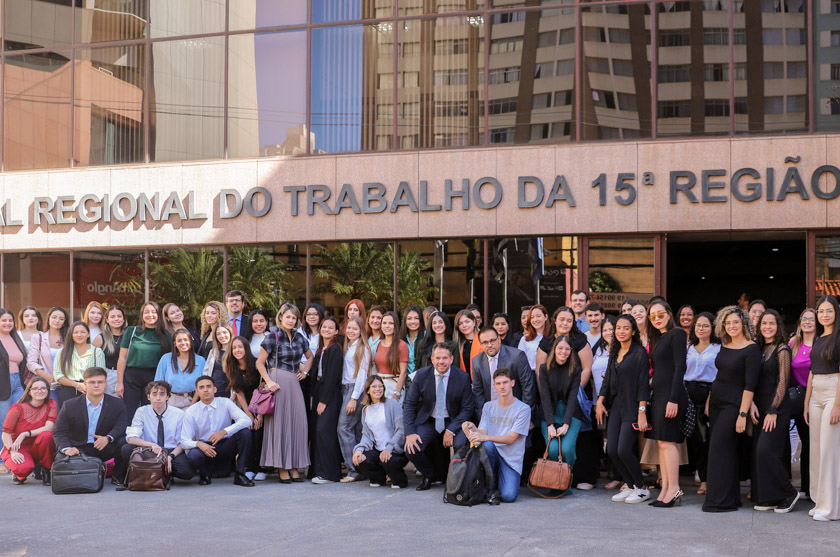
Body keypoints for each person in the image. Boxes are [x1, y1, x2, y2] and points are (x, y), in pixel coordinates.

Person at [702, 306, 760, 513]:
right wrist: (710, 400)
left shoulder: (751, 349)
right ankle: (730, 499)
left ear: (744, 323)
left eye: (735, 322)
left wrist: (742, 414)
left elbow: (750, 385)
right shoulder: (724, 345)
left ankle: (721, 501)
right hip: (717, 402)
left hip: (734, 405)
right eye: (727, 323)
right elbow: (720, 376)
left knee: (719, 448)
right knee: (722, 450)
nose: (732, 326)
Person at [538, 306, 597, 489]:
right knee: (554, 446)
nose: (565, 323)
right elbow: (539, 368)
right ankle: (554, 478)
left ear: (574, 323)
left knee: (577, 442)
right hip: (551, 398)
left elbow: (587, 367)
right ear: (554, 320)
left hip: (575, 395)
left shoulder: (580, 340)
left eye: (569, 320)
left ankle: (573, 477)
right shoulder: (545, 341)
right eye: (561, 319)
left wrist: (575, 389)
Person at [596, 315, 651, 504]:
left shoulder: (639, 353)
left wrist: (642, 411)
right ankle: (630, 484)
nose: (621, 331)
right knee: (611, 449)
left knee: (624, 450)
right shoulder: (615, 350)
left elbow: (643, 383)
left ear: (633, 331)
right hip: (616, 406)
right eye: (618, 328)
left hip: (633, 407)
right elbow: (607, 378)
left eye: (625, 328)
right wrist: (600, 400)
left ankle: (641, 487)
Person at [403, 342, 474, 491]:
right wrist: (410, 433)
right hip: (429, 421)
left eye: (445, 358)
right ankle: (429, 475)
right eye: (438, 358)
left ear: (451, 359)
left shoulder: (462, 377)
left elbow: (467, 408)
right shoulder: (421, 375)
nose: (441, 361)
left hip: (454, 421)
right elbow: (409, 404)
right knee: (411, 448)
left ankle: (458, 478)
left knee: (462, 444)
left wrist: (452, 430)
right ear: (432, 359)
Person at [256, 302, 313, 483]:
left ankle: (295, 466)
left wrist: (304, 372)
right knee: (280, 424)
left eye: (294, 317)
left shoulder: (299, 337)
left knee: (297, 423)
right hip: (277, 382)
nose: (291, 320)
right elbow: (259, 363)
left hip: (294, 384)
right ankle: (282, 467)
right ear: (281, 317)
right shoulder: (272, 336)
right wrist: (269, 381)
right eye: (288, 316)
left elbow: (310, 357)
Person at [752, 309, 799, 513]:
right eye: (764, 323)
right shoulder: (760, 349)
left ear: (778, 326)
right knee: (761, 453)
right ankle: (771, 497)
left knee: (766, 451)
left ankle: (789, 492)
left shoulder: (782, 349)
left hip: (776, 408)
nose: (767, 327)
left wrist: (773, 409)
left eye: (771, 323)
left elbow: (783, 381)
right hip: (760, 407)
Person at [461, 368, 531, 503]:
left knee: (508, 496)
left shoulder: (523, 409)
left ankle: (499, 480)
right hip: (491, 454)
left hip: (510, 460)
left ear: (513, 383)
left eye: (505, 382)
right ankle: (490, 482)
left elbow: (511, 438)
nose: (502, 387)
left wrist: (484, 437)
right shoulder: (488, 406)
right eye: (498, 384)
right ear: (494, 386)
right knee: (487, 445)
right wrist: (472, 427)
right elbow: (482, 433)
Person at [52, 367, 128, 485]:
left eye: (100, 382)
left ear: (105, 383)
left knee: (124, 442)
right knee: (62, 460)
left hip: (104, 446)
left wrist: (108, 438)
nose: (96, 385)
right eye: (92, 382)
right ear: (85, 384)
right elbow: (59, 431)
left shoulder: (117, 404)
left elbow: (121, 427)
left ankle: (118, 477)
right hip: (78, 447)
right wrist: (67, 448)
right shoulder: (70, 405)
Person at [646, 301, 688, 507]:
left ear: (669, 314)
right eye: (652, 316)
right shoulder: (659, 338)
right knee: (661, 442)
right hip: (659, 395)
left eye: (660, 314)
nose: (656, 318)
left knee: (668, 442)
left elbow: (680, 367)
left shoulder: (677, 334)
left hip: (671, 395)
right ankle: (665, 487)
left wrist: (673, 398)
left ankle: (674, 488)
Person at [181, 375, 254, 487]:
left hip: (225, 446)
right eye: (201, 387)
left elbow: (247, 420)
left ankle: (240, 474)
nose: (205, 390)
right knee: (194, 454)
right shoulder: (191, 411)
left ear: (215, 389)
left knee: (245, 433)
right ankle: (204, 474)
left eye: (209, 386)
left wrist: (225, 431)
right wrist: (199, 444)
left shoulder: (225, 402)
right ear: (197, 391)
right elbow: (184, 441)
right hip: (205, 449)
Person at [805, 295, 840, 521]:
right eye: (820, 311)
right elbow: (812, 371)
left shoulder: (839, 337)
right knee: (816, 449)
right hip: (816, 391)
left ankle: (830, 509)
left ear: (836, 312)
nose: (824, 315)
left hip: (833, 392)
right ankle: (819, 501)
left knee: (829, 451)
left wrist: (837, 404)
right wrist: (808, 401)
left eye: (828, 310)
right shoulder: (819, 338)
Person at [121, 380, 193, 482]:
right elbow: (131, 438)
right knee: (126, 449)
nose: (158, 398)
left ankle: (160, 473)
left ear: (168, 396)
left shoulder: (179, 414)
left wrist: (170, 457)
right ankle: (146, 472)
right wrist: (151, 445)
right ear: (148, 397)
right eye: (154, 394)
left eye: (162, 394)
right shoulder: (141, 411)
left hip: (170, 450)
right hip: (149, 450)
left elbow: (182, 442)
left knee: (186, 472)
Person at [685, 311, 721, 496]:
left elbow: (720, 376)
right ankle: (698, 473)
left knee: (706, 440)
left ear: (712, 328)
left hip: (708, 394)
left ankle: (707, 480)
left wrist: (711, 399)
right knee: (693, 441)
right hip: (688, 393)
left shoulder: (718, 348)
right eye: (698, 325)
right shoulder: (688, 348)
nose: (700, 328)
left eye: (705, 325)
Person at [116, 302, 172, 421]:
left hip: (154, 378)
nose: (150, 315)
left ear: (158, 315)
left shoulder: (166, 335)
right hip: (131, 377)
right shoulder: (131, 331)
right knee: (130, 411)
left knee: (151, 412)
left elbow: (168, 361)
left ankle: (149, 438)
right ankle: (130, 438)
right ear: (142, 315)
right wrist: (119, 382)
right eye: (146, 312)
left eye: (153, 312)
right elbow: (122, 358)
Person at [352, 375, 408, 489]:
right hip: (379, 450)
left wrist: (389, 448)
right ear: (368, 390)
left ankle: (399, 480)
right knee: (360, 459)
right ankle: (379, 478)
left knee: (389, 461)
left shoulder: (392, 404)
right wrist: (359, 450)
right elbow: (366, 435)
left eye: (380, 386)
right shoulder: (366, 410)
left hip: (395, 450)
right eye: (374, 386)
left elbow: (401, 430)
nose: (378, 389)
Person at [471, 327, 535, 422]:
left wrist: (524, 418)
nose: (489, 345)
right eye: (485, 342)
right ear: (480, 345)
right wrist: (483, 419)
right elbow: (478, 392)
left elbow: (528, 388)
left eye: (492, 340)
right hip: (491, 416)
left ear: (499, 339)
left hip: (516, 414)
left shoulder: (517, 356)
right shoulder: (477, 361)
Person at [539, 337, 583, 472]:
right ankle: (554, 483)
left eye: (567, 349)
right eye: (560, 348)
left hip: (570, 414)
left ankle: (565, 481)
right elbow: (545, 398)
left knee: (567, 449)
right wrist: (550, 424)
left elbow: (572, 398)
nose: (563, 351)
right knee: (552, 449)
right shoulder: (544, 368)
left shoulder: (575, 370)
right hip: (549, 414)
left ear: (571, 351)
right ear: (554, 349)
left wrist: (566, 424)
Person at [1, 377, 56, 485]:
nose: (39, 391)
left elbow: (49, 427)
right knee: (23, 469)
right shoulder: (17, 408)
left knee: (47, 435)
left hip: (39, 446)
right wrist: (12, 451)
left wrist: (25, 434)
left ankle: (46, 469)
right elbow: (6, 433)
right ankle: (18, 472)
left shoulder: (51, 404)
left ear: (48, 391)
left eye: (43, 388)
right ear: (29, 392)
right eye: (35, 388)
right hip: (19, 447)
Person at [224, 336, 265, 480]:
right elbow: (239, 393)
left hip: (261, 402)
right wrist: (248, 415)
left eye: (240, 347)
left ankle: (261, 468)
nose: (237, 350)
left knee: (259, 432)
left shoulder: (256, 363)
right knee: (248, 431)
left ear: (246, 348)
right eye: (234, 348)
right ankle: (249, 467)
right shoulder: (231, 367)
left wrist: (259, 414)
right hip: (245, 405)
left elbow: (263, 389)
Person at [310, 317, 344, 484]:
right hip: (318, 391)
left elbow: (332, 377)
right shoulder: (321, 348)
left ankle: (330, 474)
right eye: (324, 327)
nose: (327, 330)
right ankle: (318, 470)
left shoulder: (336, 349)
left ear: (336, 331)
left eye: (331, 327)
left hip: (330, 394)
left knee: (325, 431)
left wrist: (323, 401)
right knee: (317, 431)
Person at [337, 316, 370, 482]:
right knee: (355, 430)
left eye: (355, 329)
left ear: (361, 331)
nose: (350, 331)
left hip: (355, 390)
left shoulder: (362, 348)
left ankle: (354, 469)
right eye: (349, 328)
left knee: (343, 427)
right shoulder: (348, 345)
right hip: (346, 389)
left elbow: (362, 375)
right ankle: (362, 468)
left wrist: (354, 398)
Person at [789, 307, 815, 498]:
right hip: (799, 398)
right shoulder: (793, 344)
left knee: (818, 444)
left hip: (819, 396)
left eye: (811, 319)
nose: (807, 322)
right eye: (803, 319)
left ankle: (818, 486)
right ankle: (806, 486)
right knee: (806, 442)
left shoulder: (821, 343)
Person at [592, 316, 619, 490]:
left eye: (611, 329)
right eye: (605, 330)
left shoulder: (623, 349)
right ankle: (611, 472)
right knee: (603, 439)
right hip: (598, 400)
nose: (609, 333)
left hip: (616, 401)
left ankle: (619, 476)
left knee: (616, 441)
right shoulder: (598, 349)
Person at [53, 321, 106, 405]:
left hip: (90, 390)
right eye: (76, 332)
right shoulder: (62, 352)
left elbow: (101, 375)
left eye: (83, 332)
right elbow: (58, 375)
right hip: (68, 390)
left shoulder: (97, 352)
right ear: (71, 335)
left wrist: (88, 386)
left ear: (88, 334)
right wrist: (76, 385)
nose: (79, 335)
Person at [0, 309, 30, 453]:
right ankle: (1, 459)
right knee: (3, 423)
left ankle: (15, 455)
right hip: (3, 384)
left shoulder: (15, 338)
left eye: (10, 320)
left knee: (19, 420)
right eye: (3, 320)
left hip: (18, 382)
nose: (7, 323)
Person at [154, 329, 206, 409]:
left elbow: (202, 385)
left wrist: (192, 405)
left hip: (193, 402)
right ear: (175, 343)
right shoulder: (166, 359)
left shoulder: (200, 361)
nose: (183, 343)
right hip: (170, 402)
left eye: (185, 340)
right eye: (179, 340)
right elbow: (158, 383)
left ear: (191, 342)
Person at [26, 306, 68, 403]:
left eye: (61, 319)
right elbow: (31, 362)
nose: (57, 321)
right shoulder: (38, 337)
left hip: (67, 384)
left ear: (64, 322)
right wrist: (46, 376)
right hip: (48, 384)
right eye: (54, 317)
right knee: (54, 413)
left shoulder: (69, 338)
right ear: (48, 318)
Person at [373, 311, 408, 400]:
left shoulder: (401, 345)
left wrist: (397, 392)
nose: (387, 326)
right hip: (379, 387)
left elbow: (403, 372)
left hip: (394, 385)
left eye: (391, 323)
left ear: (395, 326)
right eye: (384, 323)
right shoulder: (378, 343)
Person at [93, 306, 126, 397]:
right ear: (107, 320)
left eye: (119, 316)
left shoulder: (129, 337)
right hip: (108, 376)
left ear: (123, 319)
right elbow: (91, 360)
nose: (116, 319)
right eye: (112, 317)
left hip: (127, 376)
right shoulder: (100, 338)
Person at [203, 323, 233, 398]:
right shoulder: (213, 352)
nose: (222, 336)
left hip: (230, 394)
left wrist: (235, 394)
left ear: (230, 333)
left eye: (224, 332)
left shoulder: (235, 352)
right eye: (218, 334)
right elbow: (206, 373)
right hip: (213, 394)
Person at [518, 304, 549, 371]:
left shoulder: (552, 337)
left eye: (538, 316)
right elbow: (520, 362)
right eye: (532, 317)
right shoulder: (525, 339)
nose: (535, 320)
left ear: (546, 317)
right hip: (530, 374)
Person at [452, 309, 481, 378]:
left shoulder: (483, 340)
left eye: (467, 322)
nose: (464, 325)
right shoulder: (458, 344)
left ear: (474, 322)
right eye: (460, 323)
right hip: (465, 384)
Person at [401, 305, 425, 380]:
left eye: (416, 318)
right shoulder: (401, 338)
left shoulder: (426, 336)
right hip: (404, 383)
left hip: (422, 380)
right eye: (409, 318)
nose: (413, 321)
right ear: (405, 320)